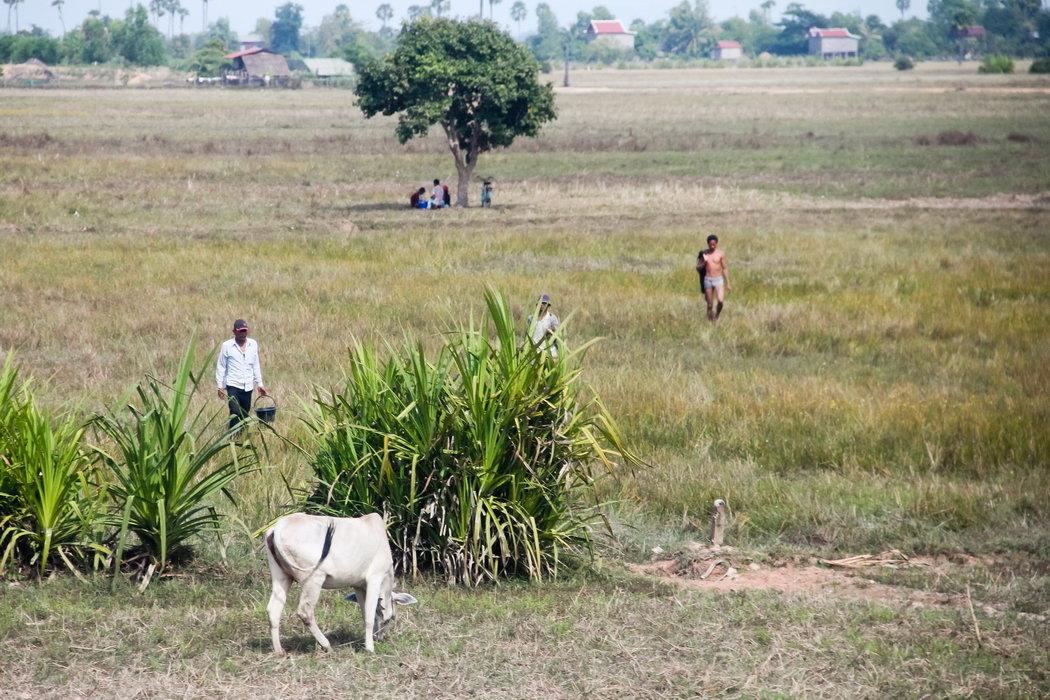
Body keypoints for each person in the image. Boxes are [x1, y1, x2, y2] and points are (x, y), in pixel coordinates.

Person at [216, 319, 267, 433]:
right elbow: (221, 366)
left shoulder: (252, 344)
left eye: (245, 331)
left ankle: (240, 436)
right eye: (240, 331)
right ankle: (232, 436)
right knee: (235, 412)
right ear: (234, 332)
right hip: (233, 384)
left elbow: (255, 365)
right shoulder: (227, 346)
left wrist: (260, 384)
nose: (243, 334)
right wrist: (220, 386)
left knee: (244, 414)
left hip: (248, 385)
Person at [698, 234, 732, 321]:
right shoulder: (704, 254)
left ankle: (717, 315)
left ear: (716, 243)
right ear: (708, 244)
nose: (712, 246)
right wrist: (704, 261)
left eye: (714, 244)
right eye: (710, 244)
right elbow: (698, 268)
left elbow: (724, 268)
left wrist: (728, 283)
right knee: (709, 304)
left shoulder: (721, 254)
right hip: (708, 280)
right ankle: (710, 322)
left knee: (720, 301)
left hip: (718, 280)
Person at [527, 294, 559, 358]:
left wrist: (552, 330)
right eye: (540, 303)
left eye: (544, 303)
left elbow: (557, 333)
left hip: (549, 352)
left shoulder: (552, 318)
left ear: (548, 305)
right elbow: (528, 333)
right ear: (537, 305)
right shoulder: (531, 318)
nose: (542, 305)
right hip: (535, 351)